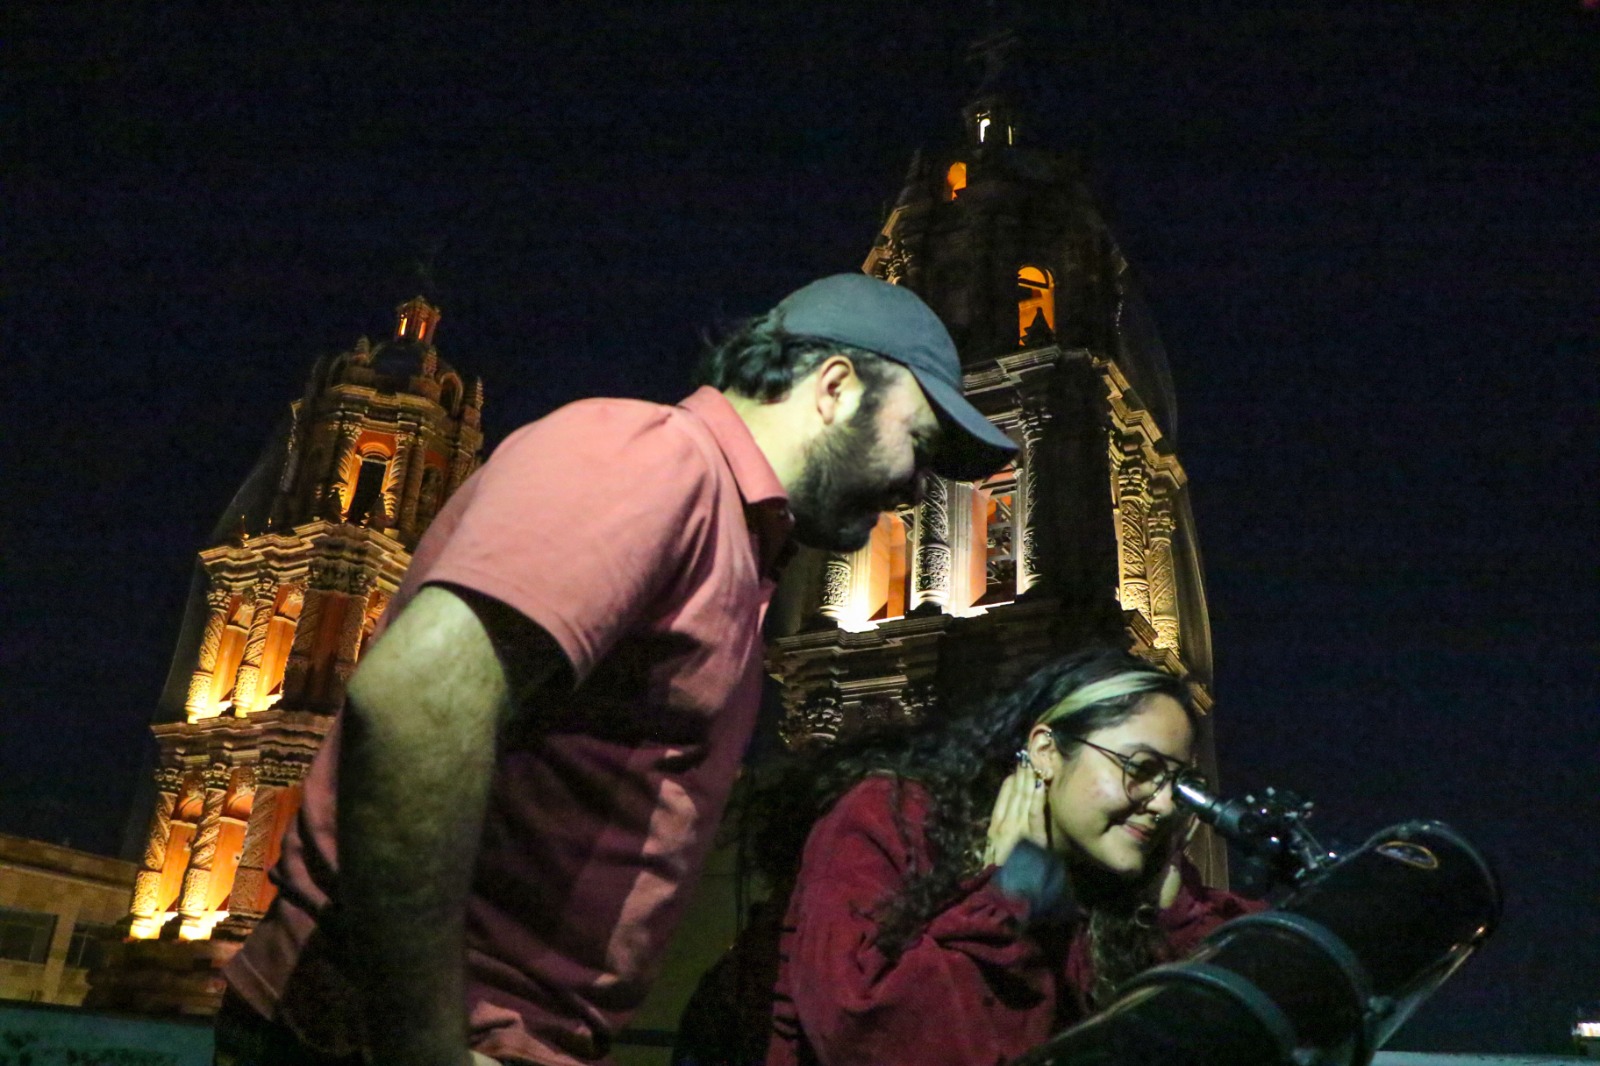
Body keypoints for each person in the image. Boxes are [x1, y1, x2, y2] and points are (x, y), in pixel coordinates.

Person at [214, 274, 1018, 1066]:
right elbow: (411, 701)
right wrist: (425, 1043)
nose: (920, 485)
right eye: (918, 440)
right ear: (835, 387)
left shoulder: (733, 537)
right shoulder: (660, 461)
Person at [749, 647, 1263, 1066]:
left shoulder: (1112, 892)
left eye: (1181, 784)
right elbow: (871, 1032)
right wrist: (1006, 895)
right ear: (1045, 750)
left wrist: (1173, 918)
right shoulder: (890, 817)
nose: (1165, 804)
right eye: (1142, 768)